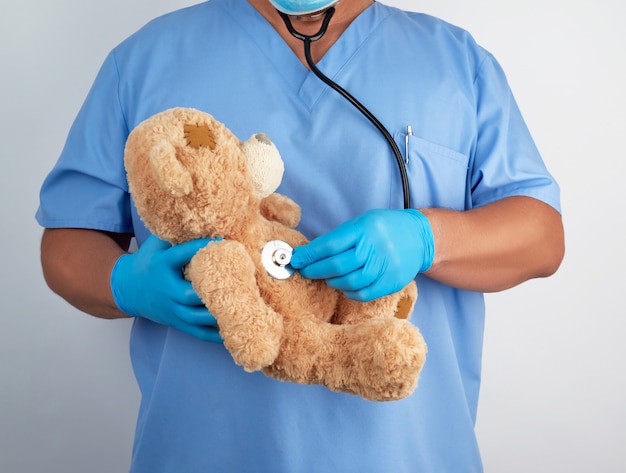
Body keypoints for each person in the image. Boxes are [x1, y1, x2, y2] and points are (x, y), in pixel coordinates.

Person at [36, 0, 565, 471]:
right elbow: (66, 240)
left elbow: (541, 236)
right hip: (200, 451)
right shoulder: (144, 61)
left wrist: (430, 237)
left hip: (409, 455)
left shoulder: (456, 63)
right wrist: (127, 283)